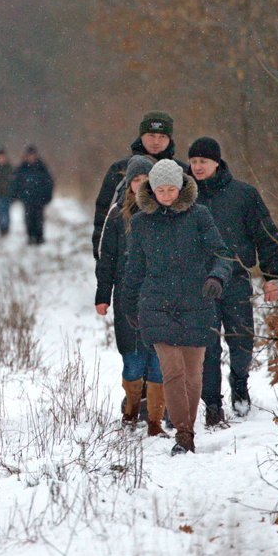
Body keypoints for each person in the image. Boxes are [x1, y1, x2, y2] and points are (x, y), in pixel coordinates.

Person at [121, 159, 233, 455]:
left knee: (192, 372)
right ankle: (183, 434)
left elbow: (222, 254)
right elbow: (134, 268)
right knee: (171, 370)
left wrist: (216, 277)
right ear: (152, 190)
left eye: (172, 189)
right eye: (161, 189)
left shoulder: (199, 217)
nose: (167, 195)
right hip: (156, 304)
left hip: (196, 302)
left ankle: (188, 427)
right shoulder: (142, 223)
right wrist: (129, 306)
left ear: (181, 187)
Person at [187, 137, 278, 424]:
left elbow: (265, 236)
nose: (197, 166)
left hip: (237, 278)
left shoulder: (243, 194)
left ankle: (239, 383)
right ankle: (213, 404)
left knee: (241, 341)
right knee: (208, 346)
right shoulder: (186, 197)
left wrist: (272, 276)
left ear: (217, 162)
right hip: (200, 284)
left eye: (203, 161)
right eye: (193, 161)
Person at [95, 155, 166, 437]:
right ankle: (131, 411)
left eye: (145, 179)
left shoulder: (164, 213)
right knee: (133, 360)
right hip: (127, 297)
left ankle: (155, 420)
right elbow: (106, 260)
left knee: (158, 359)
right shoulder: (116, 215)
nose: (140, 184)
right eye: (135, 180)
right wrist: (103, 295)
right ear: (128, 184)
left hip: (160, 297)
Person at [91, 111, 186, 259]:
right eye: (151, 136)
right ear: (141, 136)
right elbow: (104, 208)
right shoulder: (120, 169)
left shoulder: (182, 171)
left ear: (170, 139)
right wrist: (100, 245)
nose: (156, 141)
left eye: (162, 136)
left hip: (172, 258)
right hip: (125, 255)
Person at [12, 145, 54, 245]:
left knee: (39, 219)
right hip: (27, 199)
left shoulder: (42, 167)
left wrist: (48, 195)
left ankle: (39, 237)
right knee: (28, 219)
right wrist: (17, 195)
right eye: (29, 155)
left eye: (32, 155)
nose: (31, 157)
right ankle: (30, 236)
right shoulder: (22, 168)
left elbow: (49, 182)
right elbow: (16, 182)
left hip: (40, 198)